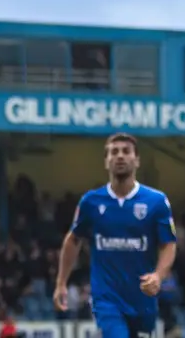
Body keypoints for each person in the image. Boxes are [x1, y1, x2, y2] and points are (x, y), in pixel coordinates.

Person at [54, 133, 176, 338]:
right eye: (114, 152)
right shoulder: (91, 202)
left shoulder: (156, 201)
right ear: (106, 161)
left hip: (142, 299)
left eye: (126, 151)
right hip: (106, 298)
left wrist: (158, 275)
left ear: (137, 160)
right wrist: (61, 283)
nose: (120, 156)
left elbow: (168, 244)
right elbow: (73, 239)